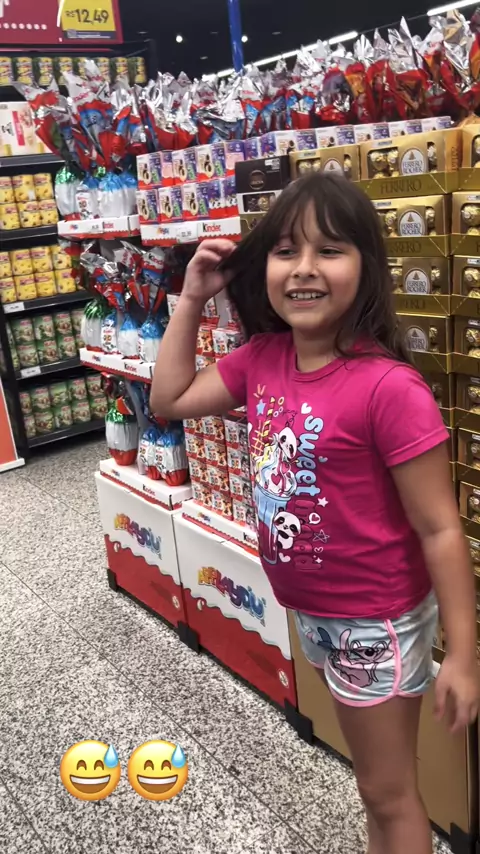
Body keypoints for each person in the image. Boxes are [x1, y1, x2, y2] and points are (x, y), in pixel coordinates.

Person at [150, 173, 479, 854]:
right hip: (318, 615)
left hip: (373, 623)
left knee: (389, 795)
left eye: (329, 250)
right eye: (285, 251)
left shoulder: (389, 389)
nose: (304, 268)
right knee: (376, 788)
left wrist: (465, 656)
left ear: (367, 266)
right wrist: (193, 298)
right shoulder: (263, 360)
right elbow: (170, 399)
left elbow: (441, 529)